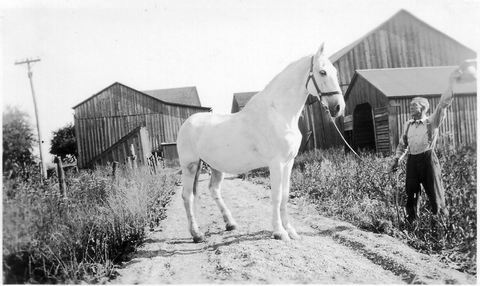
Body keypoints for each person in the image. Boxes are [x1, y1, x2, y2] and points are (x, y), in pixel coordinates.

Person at [390, 62, 474, 224]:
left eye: (414, 106)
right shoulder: (407, 124)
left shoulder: (432, 121)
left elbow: (443, 104)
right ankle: (412, 221)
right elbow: (402, 145)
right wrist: (397, 160)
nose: (410, 108)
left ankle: (442, 223)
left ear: (423, 108)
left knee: (435, 192)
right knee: (411, 192)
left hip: (428, 160)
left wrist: (451, 84)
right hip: (412, 161)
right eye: (410, 106)